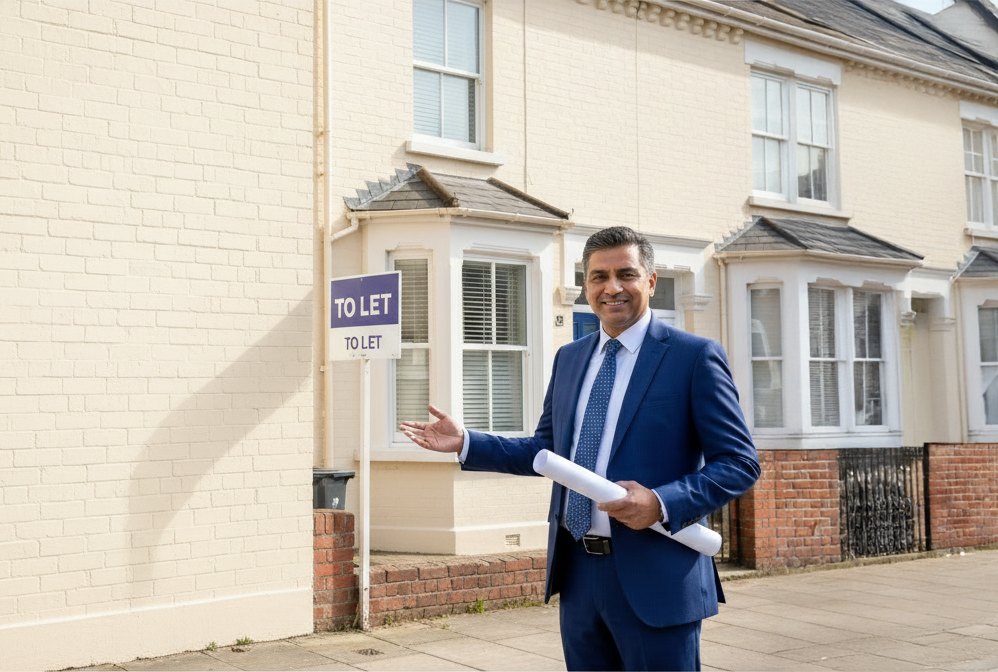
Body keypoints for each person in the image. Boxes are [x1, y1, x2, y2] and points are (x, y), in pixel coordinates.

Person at [401, 226, 760, 671]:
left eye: (626, 274)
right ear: (586, 285)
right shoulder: (570, 358)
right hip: (579, 576)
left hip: (657, 576)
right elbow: (547, 451)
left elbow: (740, 463)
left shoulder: (693, 356)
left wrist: (662, 502)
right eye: (598, 277)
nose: (612, 288)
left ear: (650, 281)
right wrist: (468, 442)